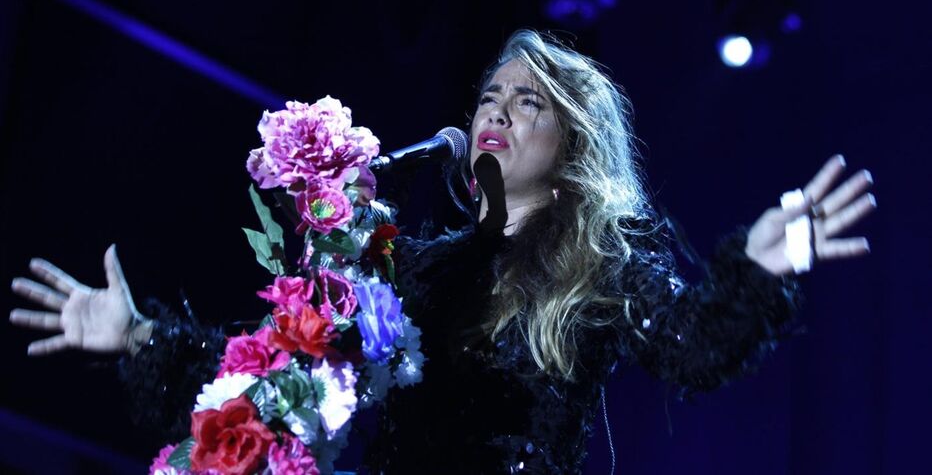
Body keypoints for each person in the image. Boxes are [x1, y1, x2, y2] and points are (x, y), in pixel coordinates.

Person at [9, 30, 876, 474]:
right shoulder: (418, 269)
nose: (497, 110)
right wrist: (136, 333)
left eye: (529, 102)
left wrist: (761, 264)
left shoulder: (598, 268)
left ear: (573, 149)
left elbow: (692, 342)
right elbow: (289, 373)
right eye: (491, 94)